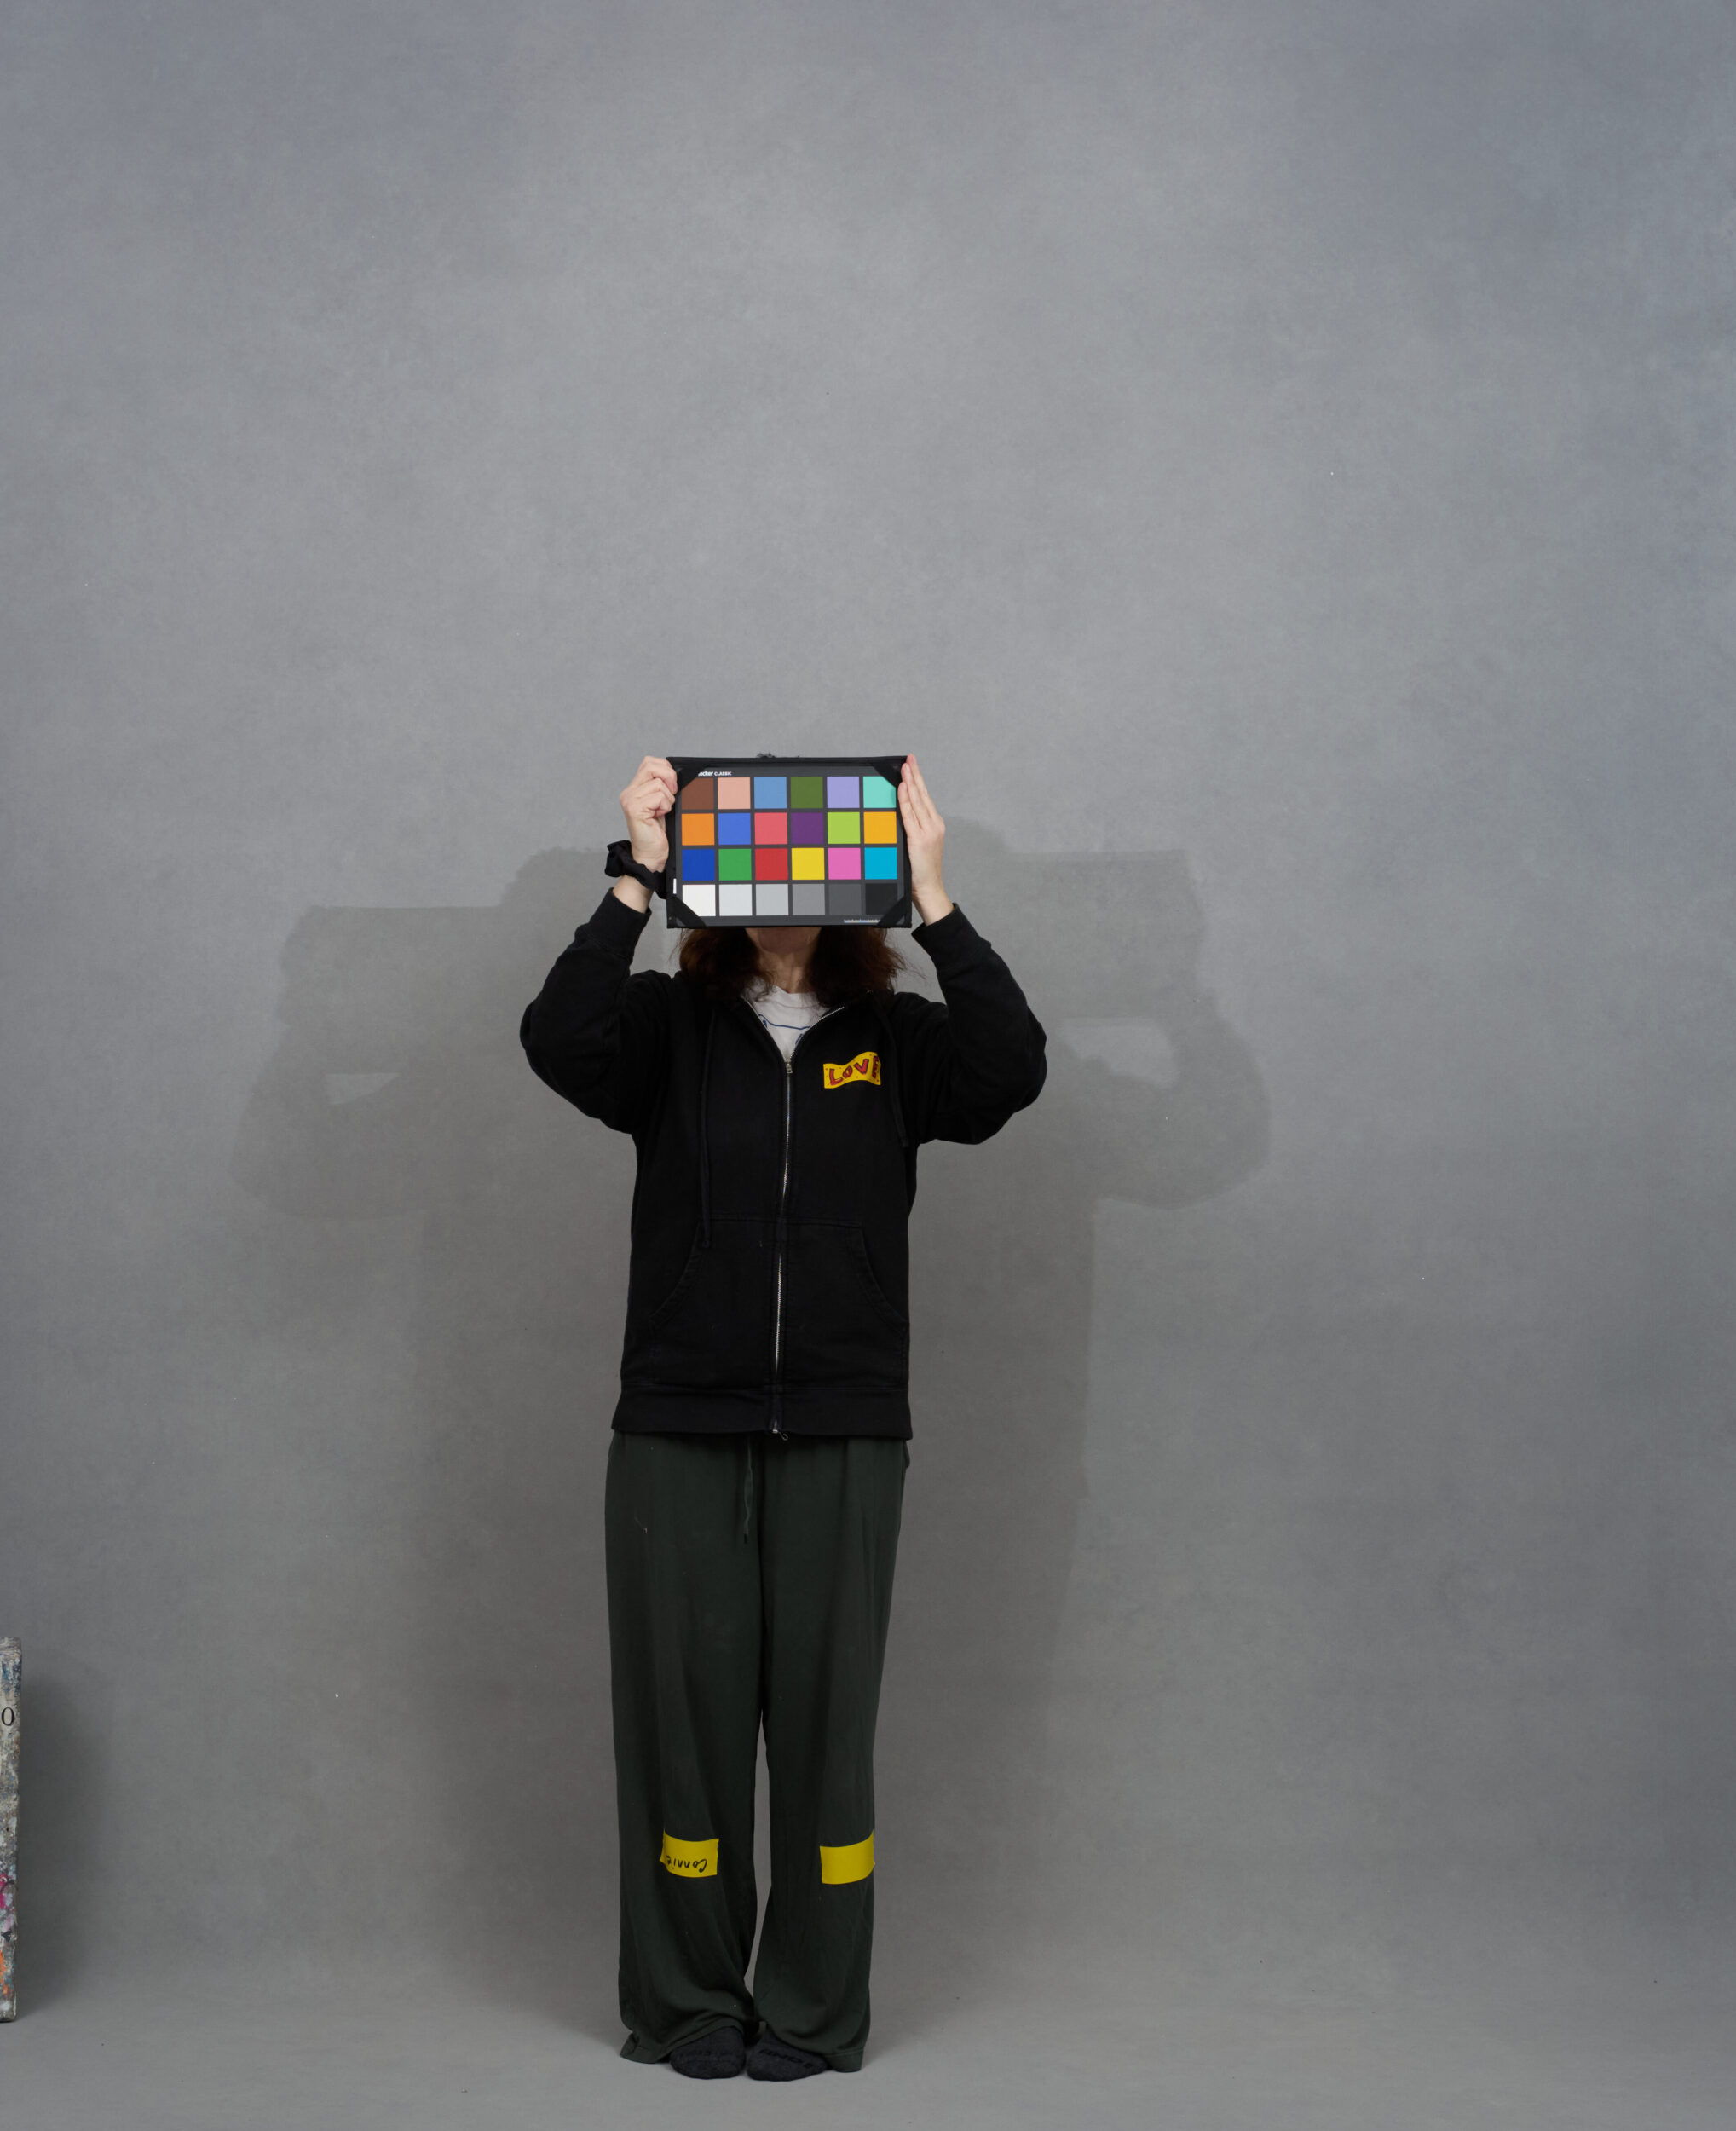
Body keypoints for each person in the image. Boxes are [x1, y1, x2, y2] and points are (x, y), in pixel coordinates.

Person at [519, 753, 1047, 2079]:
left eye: (818, 853)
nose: (786, 880)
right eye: (752, 851)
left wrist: (936, 897)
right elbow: (556, 1039)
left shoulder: (899, 1043)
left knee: (826, 1734)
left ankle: (812, 2007)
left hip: (843, 1425)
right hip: (677, 1425)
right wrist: (635, 871)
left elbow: (1012, 1068)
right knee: (680, 1732)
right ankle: (689, 2002)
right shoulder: (661, 1032)